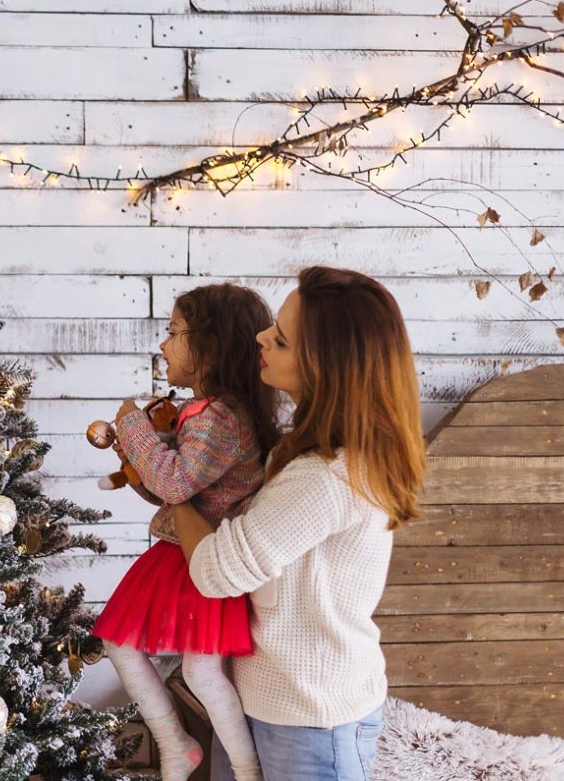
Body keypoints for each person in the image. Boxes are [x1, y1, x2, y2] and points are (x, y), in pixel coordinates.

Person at [171, 266, 427, 781]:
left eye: (281, 340)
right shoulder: (314, 451)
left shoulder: (326, 476)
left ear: (325, 366)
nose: (262, 337)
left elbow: (217, 570)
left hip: (310, 718)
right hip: (275, 698)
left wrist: (173, 490)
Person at [91, 284, 280, 781]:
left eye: (174, 333)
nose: (163, 345)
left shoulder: (220, 417)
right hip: (184, 553)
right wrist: (136, 456)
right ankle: (178, 744)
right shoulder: (209, 413)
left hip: (201, 558)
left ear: (210, 348)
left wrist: (133, 426)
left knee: (197, 670)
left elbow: (174, 481)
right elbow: (169, 491)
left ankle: (242, 767)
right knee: (128, 645)